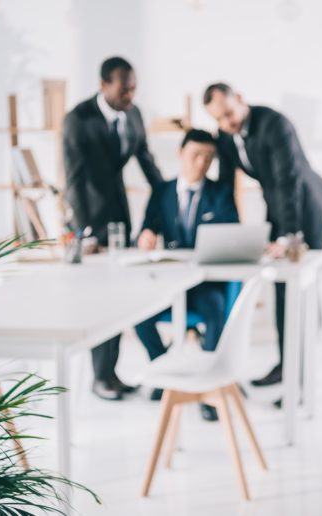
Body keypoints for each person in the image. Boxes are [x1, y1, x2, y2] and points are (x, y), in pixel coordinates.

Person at [204, 82, 322, 388]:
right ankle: (286, 364)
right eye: (219, 119)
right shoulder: (225, 135)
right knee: (279, 287)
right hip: (277, 207)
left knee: (300, 284)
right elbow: (225, 186)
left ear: (240, 99)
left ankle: (300, 378)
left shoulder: (274, 124)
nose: (227, 123)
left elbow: (288, 181)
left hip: (306, 206)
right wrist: (228, 234)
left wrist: (290, 237)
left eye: (229, 113)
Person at [63, 56, 163, 400]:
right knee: (100, 298)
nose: (130, 96)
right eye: (124, 89)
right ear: (103, 85)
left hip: (121, 216)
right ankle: (100, 377)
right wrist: (84, 231)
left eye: (134, 88)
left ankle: (112, 373)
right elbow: (74, 180)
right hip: (90, 218)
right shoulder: (78, 120)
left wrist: (169, 197)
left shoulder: (133, 115)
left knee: (120, 294)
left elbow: (146, 161)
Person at [135, 128, 239, 421]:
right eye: (196, 155)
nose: (201, 163)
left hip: (205, 285)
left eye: (209, 158)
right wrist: (144, 237)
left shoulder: (220, 193)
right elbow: (145, 230)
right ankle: (165, 373)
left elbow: (233, 235)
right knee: (140, 315)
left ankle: (209, 384)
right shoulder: (161, 191)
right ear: (180, 154)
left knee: (217, 310)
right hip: (169, 285)